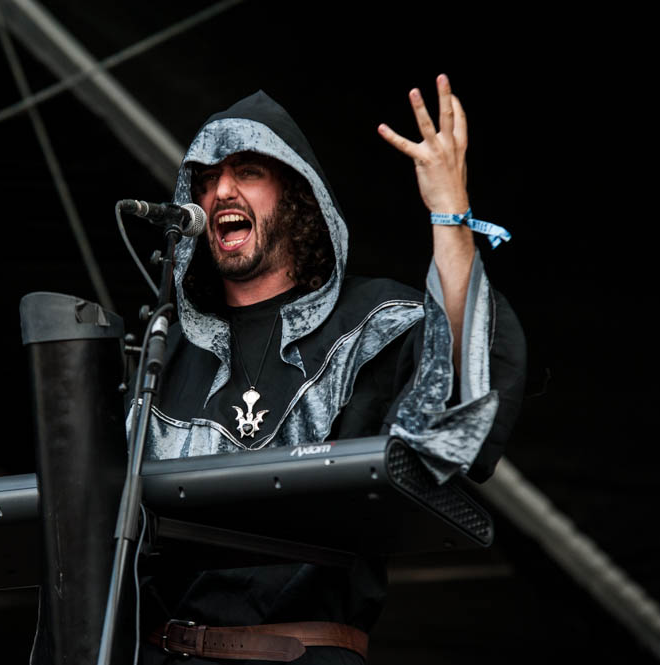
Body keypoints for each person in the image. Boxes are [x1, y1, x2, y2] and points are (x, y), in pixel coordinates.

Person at [136, 75, 527, 664]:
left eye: (247, 172)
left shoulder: (374, 322)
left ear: (296, 195)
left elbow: (458, 403)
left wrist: (450, 212)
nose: (220, 192)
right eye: (208, 179)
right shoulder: (164, 351)